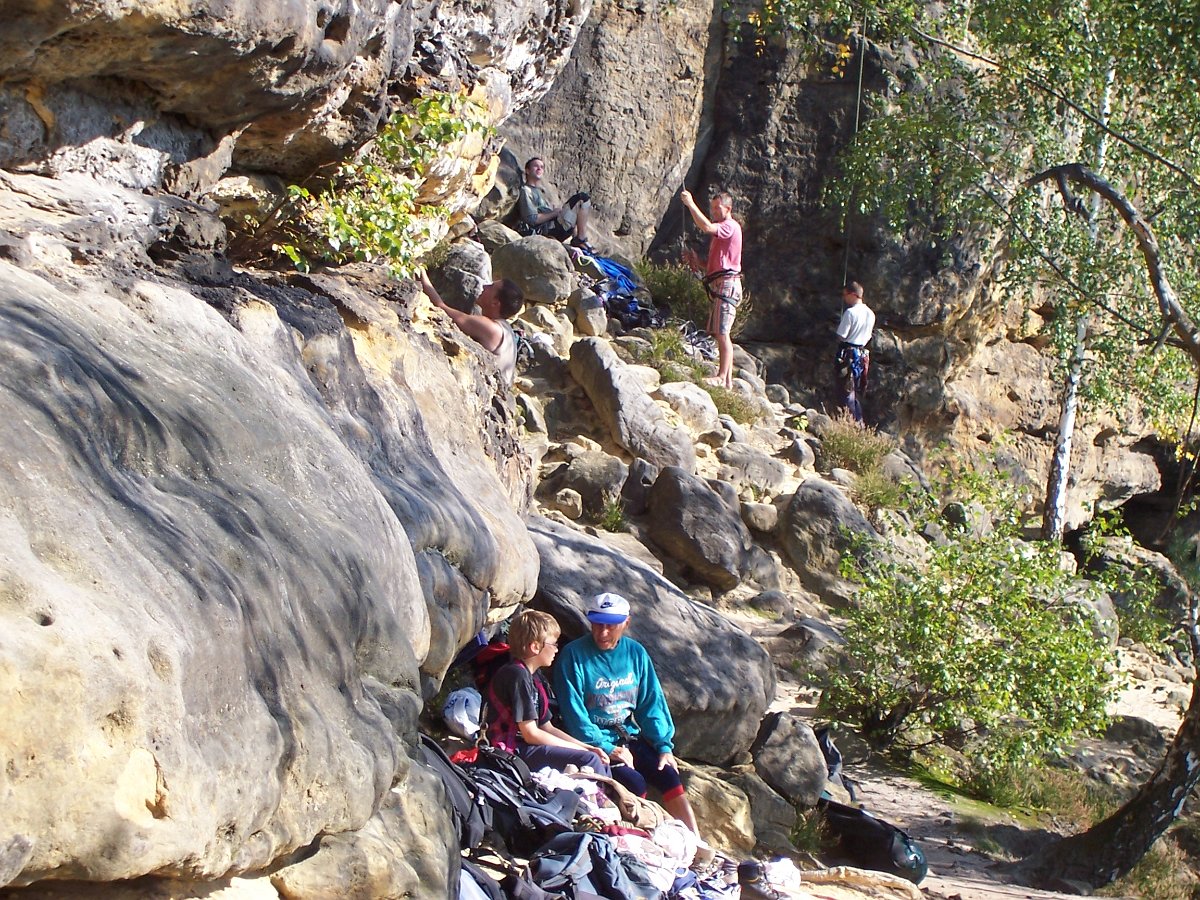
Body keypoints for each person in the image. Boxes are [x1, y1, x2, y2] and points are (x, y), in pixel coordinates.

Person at [553, 592, 699, 833]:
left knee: (669, 776)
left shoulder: (635, 653)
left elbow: (650, 703)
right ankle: (644, 837)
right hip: (596, 745)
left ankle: (696, 844)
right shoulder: (573, 656)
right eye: (597, 624)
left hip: (629, 736)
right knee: (634, 783)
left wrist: (664, 746)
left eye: (611, 626)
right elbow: (574, 716)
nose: (603, 633)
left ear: (626, 623)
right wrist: (609, 749)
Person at [485, 610, 612, 775]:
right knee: (589, 760)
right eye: (554, 644)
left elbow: (547, 727)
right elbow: (530, 733)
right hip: (509, 750)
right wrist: (584, 753)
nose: (557, 650)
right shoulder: (516, 675)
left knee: (597, 757)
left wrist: (588, 747)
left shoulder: (535, 677)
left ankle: (603, 796)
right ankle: (598, 799)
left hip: (526, 746)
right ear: (535, 646)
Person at [418, 269, 524, 386]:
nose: (484, 286)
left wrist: (422, 275)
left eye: (491, 287)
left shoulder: (491, 328)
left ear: (495, 303)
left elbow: (442, 309)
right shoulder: (505, 328)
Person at [680, 189, 742, 389]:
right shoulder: (724, 232)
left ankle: (723, 377)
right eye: (712, 208)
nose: (714, 212)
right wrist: (697, 262)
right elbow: (715, 264)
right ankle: (727, 381)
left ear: (728, 208)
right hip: (721, 283)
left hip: (727, 284)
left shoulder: (730, 226)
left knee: (723, 332)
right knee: (720, 331)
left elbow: (706, 226)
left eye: (717, 208)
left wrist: (690, 204)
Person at [517, 156, 595, 254]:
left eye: (542, 167)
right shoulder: (526, 191)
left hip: (555, 227)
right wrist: (554, 213)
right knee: (581, 198)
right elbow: (531, 219)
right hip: (546, 231)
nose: (539, 168)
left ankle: (578, 239)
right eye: (535, 166)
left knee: (582, 203)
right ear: (527, 171)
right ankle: (581, 239)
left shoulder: (540, 192)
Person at [835, 281, 875, 422]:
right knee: (855, 391)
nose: (844, 298)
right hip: (861, 356)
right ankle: (858, 423)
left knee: (846, 392)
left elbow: (842, 336)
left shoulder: (850, 313)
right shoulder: (871, 314)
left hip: (848, 355)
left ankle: (852, 424)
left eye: (845, 295)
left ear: (853, 294)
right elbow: (868, 336)